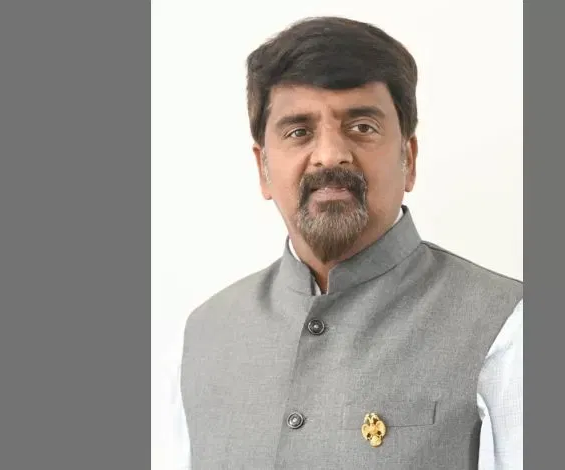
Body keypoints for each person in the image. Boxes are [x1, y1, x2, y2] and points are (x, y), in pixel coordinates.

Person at [167, 16, 523, 470]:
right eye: (299, 131)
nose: (331, 154)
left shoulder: (507, 327)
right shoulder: (202, 337)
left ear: (409, 159)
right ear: (263, 169)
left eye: (362, 127)